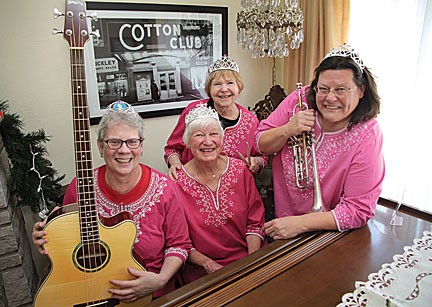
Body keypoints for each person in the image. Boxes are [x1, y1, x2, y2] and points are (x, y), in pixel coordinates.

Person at [32, 101, 191, 302]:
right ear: (100, 146)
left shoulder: (165, 188)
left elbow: (179, 244)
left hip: (153, 294)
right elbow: (65, 244)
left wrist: (161, 280)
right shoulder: (81, 188)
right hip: (87, 293)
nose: (124, 150)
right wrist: (47, 237)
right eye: (114, 142)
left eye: (132, 142)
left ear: (141, 146)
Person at [257, 44, 385, 240]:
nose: (330, 98)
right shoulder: (299, 99)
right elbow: (260, 144)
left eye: (341, 89)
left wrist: (300, 224)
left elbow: (358, 210)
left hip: (329, 234)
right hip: (283, 223)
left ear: (361, 90)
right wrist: (287, 130)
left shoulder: (368, 134)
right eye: (323, 89)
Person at [173, 103, 266, 284]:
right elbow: (179, 241)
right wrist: (209, 265)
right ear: (187, 143)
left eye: (214, 134)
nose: (208, 142)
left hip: (248, 259)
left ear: (222, 139)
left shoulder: (240, 170)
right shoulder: (176, 183)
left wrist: (251, 261)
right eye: (199, 135)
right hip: (202, 272)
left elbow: (255, 223)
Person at [164, 55, 268, 180]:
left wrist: (256, 162)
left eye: (230, 83)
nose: (224, 89)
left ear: (238, 87)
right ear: (209, 88)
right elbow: (172, 149)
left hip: (234, 186)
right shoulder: (194, 110)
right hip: (195, 182)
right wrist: (176, 164)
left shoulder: (250, 120)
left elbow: (263, 156)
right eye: (217, 84)